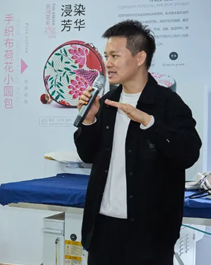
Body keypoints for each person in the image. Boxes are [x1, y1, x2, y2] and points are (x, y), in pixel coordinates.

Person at [74, 20, 202, 265]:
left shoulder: (168, 104)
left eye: (115, 56)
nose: (108, 63)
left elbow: (188, 154)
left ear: (140, 57)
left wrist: (149, 122)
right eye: (106, 56)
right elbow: (88, 155)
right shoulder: (107, 102)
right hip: (102, 228)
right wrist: (89, 121)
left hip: (150, 233)